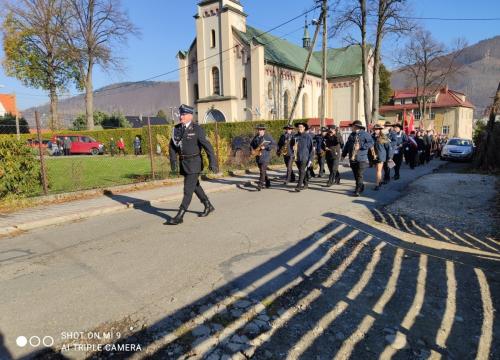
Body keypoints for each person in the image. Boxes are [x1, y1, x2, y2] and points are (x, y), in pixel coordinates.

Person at [167, 104, 218, 225]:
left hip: (195, 163)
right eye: (181, 114)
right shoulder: (177, 129)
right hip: (184, 163)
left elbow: (208, 147)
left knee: (187, 189)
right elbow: (172, 147)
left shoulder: (197, 129)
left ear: (190, 116)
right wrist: (173, 160)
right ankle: (208, 205)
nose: (181, 116)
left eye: (184, 114)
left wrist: (213, 162)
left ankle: (180, 215)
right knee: (195, 186)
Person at [341, 120, 374, 197]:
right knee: (356, 174)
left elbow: (371, 143)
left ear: (356, 127)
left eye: (352, 126)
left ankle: (357, 189)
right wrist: (343, 155)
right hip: (352, 158)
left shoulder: (365, 134)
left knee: (359, 174)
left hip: (361, 158)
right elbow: (347, 145)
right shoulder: (351, 135)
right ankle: (360, 185)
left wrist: (361, 146)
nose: (351, 127)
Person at [250, 124, 276, 190]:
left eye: (261, 130)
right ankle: (268, 182)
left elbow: (273, 144)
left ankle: (260, 184)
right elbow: (251, 145)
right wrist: (252, 150)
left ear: (264, 130)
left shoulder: (268, 136)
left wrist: (266, 147)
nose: (259, 131)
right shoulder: (256, 137)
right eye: (258, 130)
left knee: (262, 170)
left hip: (265, 157)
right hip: (258, 156)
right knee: (263, 171)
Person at [291, 122, 314, 192]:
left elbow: (311, 149)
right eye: (298, 127)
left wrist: (310, 159)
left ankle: (299, 185)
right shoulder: (295, 136)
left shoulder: (308, 136)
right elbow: (291, 145)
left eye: (301, 127)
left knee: (301, 171)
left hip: (304, 157)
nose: (299, 128)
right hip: (297, 157)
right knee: (302, 171)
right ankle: (306, 184)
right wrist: (292, 149)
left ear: (304, 128)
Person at [372, 124, 394, 190]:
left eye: (377, 129)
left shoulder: (384, 137)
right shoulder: (372, 137)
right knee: (379, 170)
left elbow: (389, 148)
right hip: (374, 156)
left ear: (380, 130)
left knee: (378, 170)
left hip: (381, 156)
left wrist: (390, 157)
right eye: (375, 129)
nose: (376, 131)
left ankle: (377, 184)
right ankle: (380, 181)